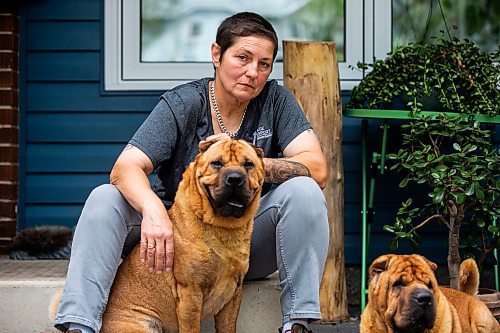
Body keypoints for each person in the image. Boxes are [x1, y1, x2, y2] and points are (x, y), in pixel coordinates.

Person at [54, 11, 329, 333]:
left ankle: (297, 323)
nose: (253, 72)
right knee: (104, 197)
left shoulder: (276, 101)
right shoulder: (185, 103)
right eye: (242, 58)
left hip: (246, 242)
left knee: (306, 190)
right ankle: (80, 324)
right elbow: (124, 166)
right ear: (216, 54)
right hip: (171, 243)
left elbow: (318, 169)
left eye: (264, 64)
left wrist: (245, 164)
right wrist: (155, 211)